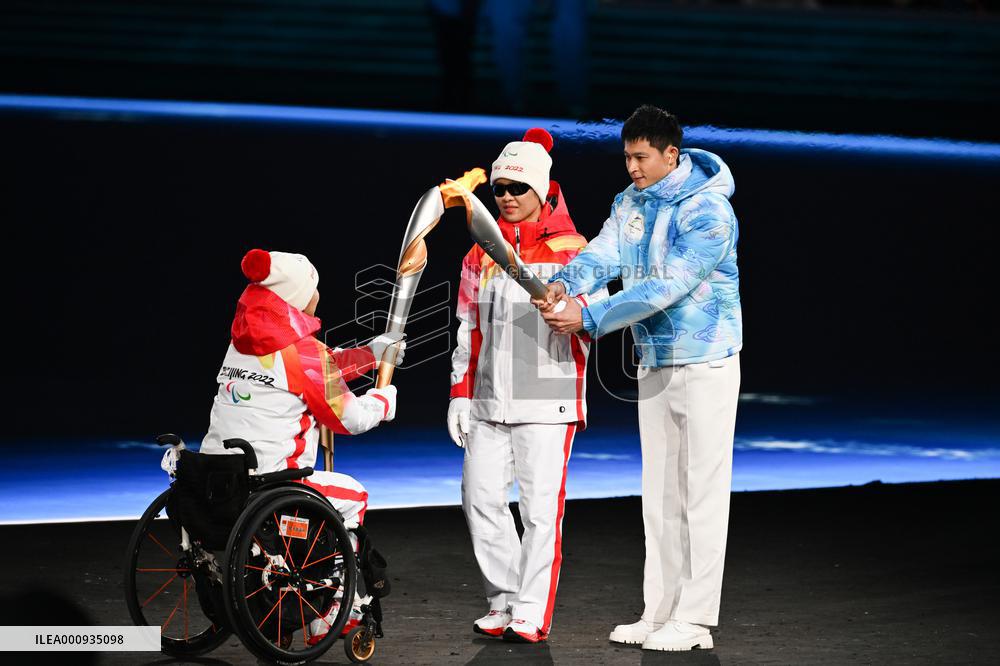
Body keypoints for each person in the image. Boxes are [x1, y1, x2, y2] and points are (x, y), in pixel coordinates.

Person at [535, 105, 742, 651]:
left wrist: (590, 316)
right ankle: (660, 610)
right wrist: (564, 282)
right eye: (626, 156)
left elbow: (664, 287)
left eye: (641, 157)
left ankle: (695, 620)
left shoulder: (710, 212)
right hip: (654, 361)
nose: (631, 167)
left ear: (671, 154)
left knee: (701, 493)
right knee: (659, 495)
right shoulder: (629, 203)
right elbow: (603, 254)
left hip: (706, 362)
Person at [448, 128, 607, 643]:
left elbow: (598, 317)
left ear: (541, 189)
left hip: (548, 399)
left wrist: (577, 314)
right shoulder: (480, 254)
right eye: (500, 189)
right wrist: (460, 395)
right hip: (490, 401)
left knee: (539, 512)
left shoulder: (575, 250)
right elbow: (467, 328)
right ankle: (505, 598)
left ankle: (532, 612)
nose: (508, 197)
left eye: (519, 187)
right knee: (480, 500)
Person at [197, 248, 403, 643]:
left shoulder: (241, 343)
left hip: (220, 479)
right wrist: (384, 402)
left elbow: (318, 367)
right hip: (274, 484)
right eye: (315, 288)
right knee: (353, 496)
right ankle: (330, 615)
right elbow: (350, 419)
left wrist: (371, 355)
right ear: (296, 296)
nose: (318, 295)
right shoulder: (301, 352)